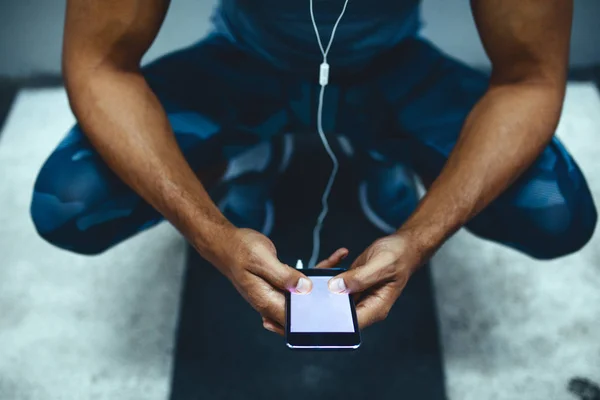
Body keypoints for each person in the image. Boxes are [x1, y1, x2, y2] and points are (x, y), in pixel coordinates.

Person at [30, 0, 596, 335]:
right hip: (245, 67)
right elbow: (101, 66)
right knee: (73, 204)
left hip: (390, 72)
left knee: (554, 213)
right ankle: (246, 156)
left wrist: (421, 237)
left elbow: (529, 79)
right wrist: (210, 233)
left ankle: (381, 149)